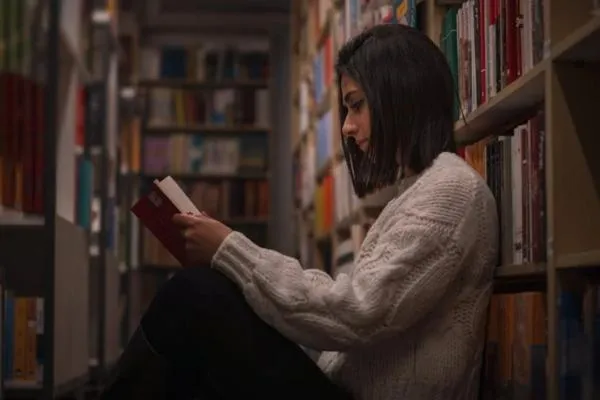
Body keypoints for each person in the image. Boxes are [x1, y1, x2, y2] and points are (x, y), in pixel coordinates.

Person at [99, 23, 499, 400]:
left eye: (356, 106)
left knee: (195, 295)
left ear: (400, 95)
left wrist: (230, 251)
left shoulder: (450, 190)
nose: (346, 127)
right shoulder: (419, 192)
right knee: (200, 326)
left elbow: (359, 312)